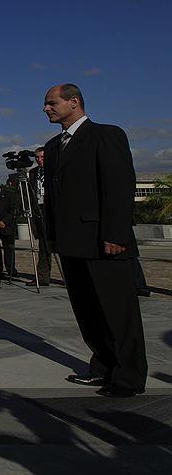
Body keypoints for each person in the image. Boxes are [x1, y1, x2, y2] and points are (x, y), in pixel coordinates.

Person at [43, 83, 147, 398]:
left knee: (117, 311)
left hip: (104, 241)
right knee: (87, 311)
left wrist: (115, 234)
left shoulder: (105, 135)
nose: (46, 109)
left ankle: (128, 377)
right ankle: (102, 367)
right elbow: (53, 197)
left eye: (52, 103)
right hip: (71, 243)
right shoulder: (53, 146)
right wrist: (52, 236)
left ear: (74, 102)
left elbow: (119, 186)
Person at [26, 147, 52, 286]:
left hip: (52, 209)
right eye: (37, 157)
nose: (39, 160)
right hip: (38, 208)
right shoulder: (33, 172)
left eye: (42, 157)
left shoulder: (54, 169)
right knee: (43, 245)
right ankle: (42, 276)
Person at [0, 174, 17, 279]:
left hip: (6, 225)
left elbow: (13, 210)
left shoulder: (8, 194)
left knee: (8, 249)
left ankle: (11, 270)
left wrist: (4, 221)